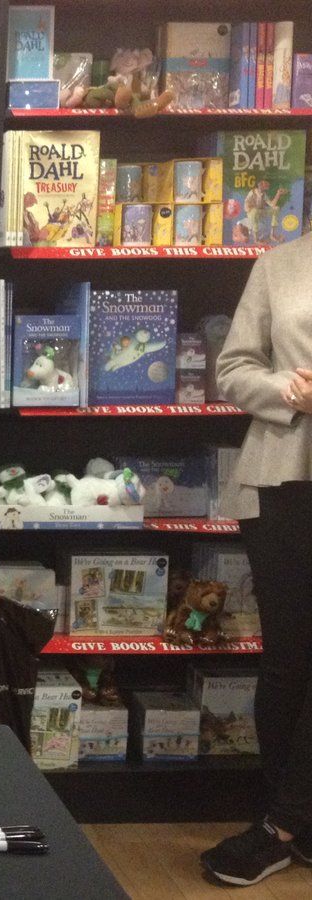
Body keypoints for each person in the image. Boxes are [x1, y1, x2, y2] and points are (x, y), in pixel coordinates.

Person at [200, 231, 312, 885]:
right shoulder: (281, 264)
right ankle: (292, 821)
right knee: (287, 665)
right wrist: (290, 393)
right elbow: (234, 371)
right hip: (281, 481)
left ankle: (280, 827)